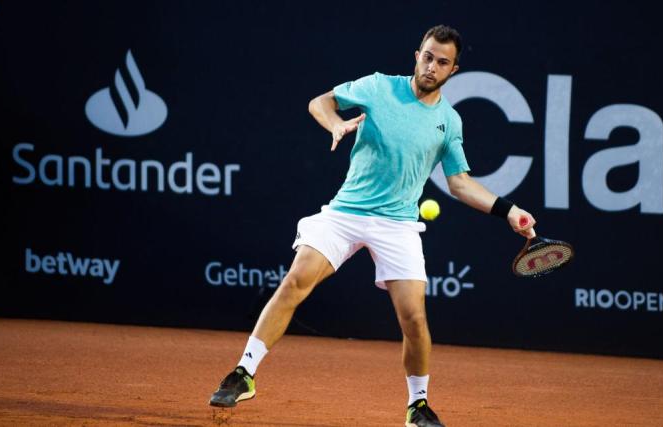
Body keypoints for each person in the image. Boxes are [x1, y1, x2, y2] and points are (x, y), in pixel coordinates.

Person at [208, 24, 536, 427]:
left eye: (442, 62)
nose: (432, 66)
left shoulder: (449, 122)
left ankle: (418, 406)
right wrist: (335, 124)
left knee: (413, 318)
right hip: (346, 212)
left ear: (454, 70)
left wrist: (509, 211)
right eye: (428, 56)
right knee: (296, 281)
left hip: (398, 225)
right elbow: (320, 102)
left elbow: (459, 183)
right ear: (417, 54)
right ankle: (244, 373)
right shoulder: (378, 87)